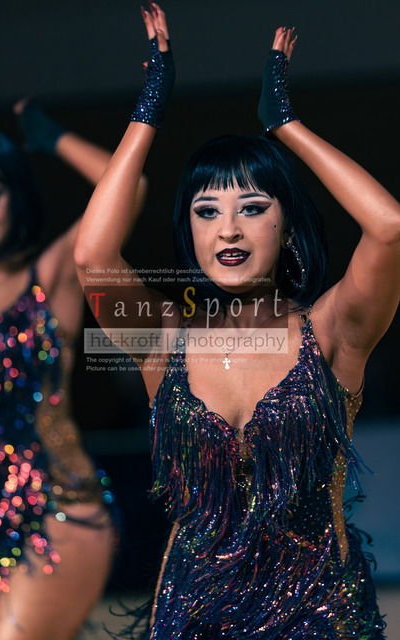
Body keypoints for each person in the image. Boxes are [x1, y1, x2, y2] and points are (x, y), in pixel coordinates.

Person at [74, 4, 400, 639]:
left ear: (287, 227)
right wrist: (150, 107)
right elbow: (92, 256)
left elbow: (388, 229)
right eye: (207, 211)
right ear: (190, 231)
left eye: (252, 207)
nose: (227, 229)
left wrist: (285, 124)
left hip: (317, 619)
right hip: (191, 620)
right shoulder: (162, 341)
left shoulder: (332, 331)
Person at [0, 102, 147, 639]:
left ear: (15, 195)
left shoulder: (49, 276)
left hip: (58, 516)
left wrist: (53, 139)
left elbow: (132, 188)